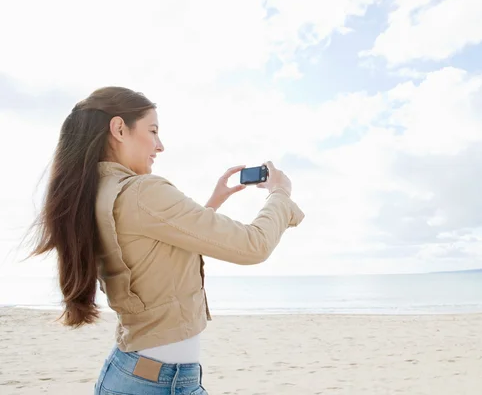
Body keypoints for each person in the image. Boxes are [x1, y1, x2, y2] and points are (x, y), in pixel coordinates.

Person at [26, 86, 305, 395]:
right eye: (153, 131)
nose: (160, 146)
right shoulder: (142, 192)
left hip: (132, 374)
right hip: (159, 384)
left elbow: (150, 248)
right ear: (119, 129)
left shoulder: (94, 193)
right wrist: (280, 194)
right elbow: (254, 245)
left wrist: (211, 203)